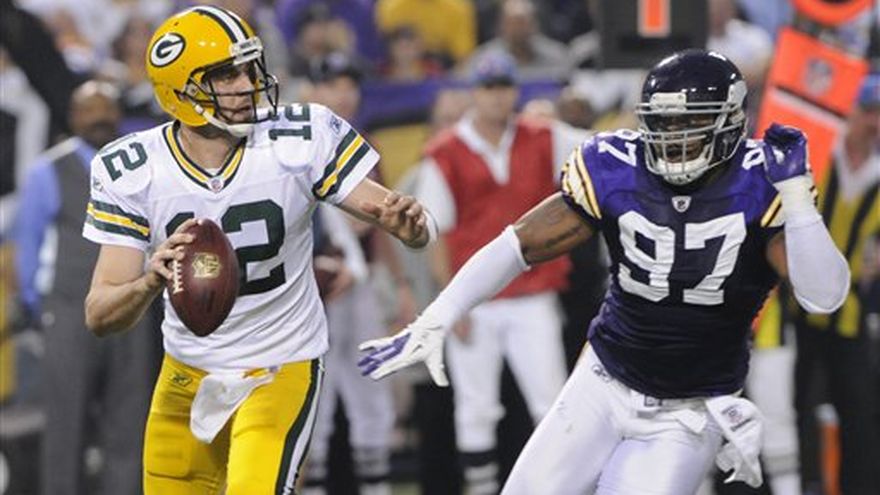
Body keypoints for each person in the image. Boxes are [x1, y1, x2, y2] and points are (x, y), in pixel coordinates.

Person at [359, 49, 851, 494]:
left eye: (690, 122)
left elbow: (823, 295)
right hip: (604, 381)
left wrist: (797, 200)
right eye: (662, 122)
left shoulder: (762, 180)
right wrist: (440, 315)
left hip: (689, 408)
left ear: (729, 122)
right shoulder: (617, 166)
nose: (672, 137)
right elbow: (518, 244)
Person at [81, 6, 433, 495]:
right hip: (187, 375)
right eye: (227, 75)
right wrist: (149, 282)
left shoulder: (298, 138)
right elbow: (100, 314)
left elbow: (399, 217)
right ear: (180, 91)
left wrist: (411, 227)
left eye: (249, 69)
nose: (247, 85)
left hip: (280, 366)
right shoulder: (136, 168)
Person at [414, 52, 587, 494]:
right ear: (475, 92)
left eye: (504, 87)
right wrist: (452, 303)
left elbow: (598, 149)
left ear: (515, 91)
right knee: (476, 408)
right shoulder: (445, 152)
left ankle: (554, 488)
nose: (497, 97)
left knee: (550, 402)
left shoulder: (543, 135)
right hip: (478, 300)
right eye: (489, 88)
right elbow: (439, 234)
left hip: (534, 293)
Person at [12, 80, 156, 495]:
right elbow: (29, 243)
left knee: (131, 419)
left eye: (106, 108)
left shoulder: (143, 166)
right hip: (69, 308)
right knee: (65, 420)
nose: (99, 118)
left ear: (119, 114)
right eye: (89, 110)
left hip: (132, 308)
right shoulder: (48, 170)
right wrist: (37, 306)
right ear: (73, 118)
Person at [793, 72, 879, 495]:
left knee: (860, 409)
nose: (875, 122)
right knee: (795, 404)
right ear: (851, 112)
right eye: (869, 111)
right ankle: (805, 484)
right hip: (795, 306)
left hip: (850, 310)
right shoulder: (820, 155)